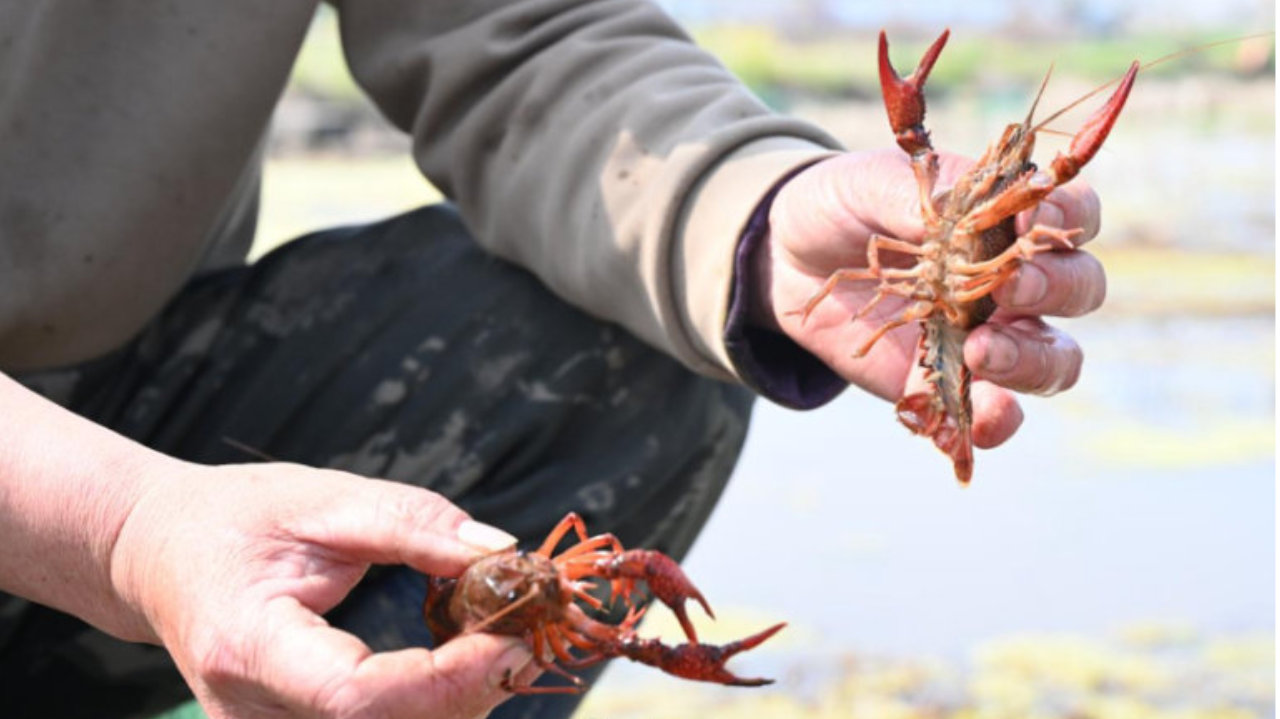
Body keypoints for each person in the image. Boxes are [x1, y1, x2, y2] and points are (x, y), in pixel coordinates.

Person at [0, 2, 1105, 718]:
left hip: (121, 390)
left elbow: (516, 29)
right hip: (85, 501)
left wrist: (750, 214)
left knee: (627, 347)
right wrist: (121, 526)